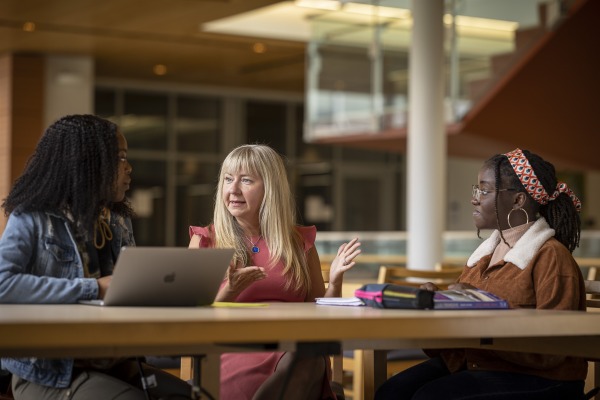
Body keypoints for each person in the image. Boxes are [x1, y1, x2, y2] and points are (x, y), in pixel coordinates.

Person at [0, 114, 191, 400]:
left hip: (115, 363)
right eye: (120, 158)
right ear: (87, 162)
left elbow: (126, 292)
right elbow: (4, 284)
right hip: (50, 374)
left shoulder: (118, 220)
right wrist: (95, 287)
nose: (129, 168)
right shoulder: (33, 216)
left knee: (188, 395)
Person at [375, 148, 587, 400]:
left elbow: (553, 349)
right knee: (390, 392)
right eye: (476, 190)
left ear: (518, 200)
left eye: (484, 191)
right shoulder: (482, 258)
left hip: (542, 378)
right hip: (477, 362)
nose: (474, 199)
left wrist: (479, 304)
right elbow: (445, 343)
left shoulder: (551, 256)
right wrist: (433, 304)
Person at [188, 144, 361, 400]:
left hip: (295, 351)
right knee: (309, 360)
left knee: (309, 355)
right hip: (229, 353)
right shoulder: (204, 241)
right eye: (227, 179)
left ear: (270, 188)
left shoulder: (299, 243)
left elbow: (321, 315)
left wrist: (335, 281)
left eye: (245, 180)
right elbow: (189, 321)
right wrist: (229, 291)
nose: (233, 189)